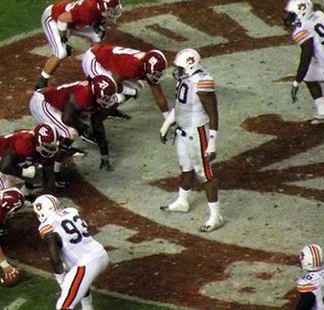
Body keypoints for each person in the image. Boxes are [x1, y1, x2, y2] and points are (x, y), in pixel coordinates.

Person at [32, 194, 108, 310]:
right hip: (100, 254)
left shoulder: (47, 225)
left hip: (86, 263)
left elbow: (54, 257)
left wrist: (60, 279)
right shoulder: (71, 212)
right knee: (76, 275)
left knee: (64, 305)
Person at [159, 48, 224, 232]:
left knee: (205, 174)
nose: (177, 71)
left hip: (197, 132)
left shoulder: (202, 82)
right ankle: (182, 201)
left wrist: (212, 141)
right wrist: (166, 126)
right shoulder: (186, 79)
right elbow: (181, 106)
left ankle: (216, 215)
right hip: (182, 130)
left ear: (190, 65)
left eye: (180, 67)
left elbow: (213, 113)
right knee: (186, 168)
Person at [80, 44, 171, 170]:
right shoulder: (132, 66)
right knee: (114, 94)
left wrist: (168, 119)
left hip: (110, 64)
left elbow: (158, 94)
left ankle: (109, 109)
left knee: (136, 87)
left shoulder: (145, 65)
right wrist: (130, 92)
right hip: (94, 61)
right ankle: (88, 123)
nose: (157, 76)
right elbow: (112, 84)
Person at [29, 75, 119, 184]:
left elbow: (98, 125)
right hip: (43, 103)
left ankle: (57, 156)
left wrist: (105, 154)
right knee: (70, 133)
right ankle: (52, 172)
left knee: (73, 131)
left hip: (59, 107)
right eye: (105, 98)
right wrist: (84, 128)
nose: (108, 101)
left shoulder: (95, 97)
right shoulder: (83, 95)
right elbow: (67, 119)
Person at [35, 0, 123, 90]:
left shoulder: (99, 5)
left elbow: (97, 18)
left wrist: (98, 26)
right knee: (61, 52)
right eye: (111, 10)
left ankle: (95, 70)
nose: (114, 11)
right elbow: (62, 19)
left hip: (73, 22)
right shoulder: (87, 10)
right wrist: (64, 40)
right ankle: (42, 82)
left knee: (97, 36)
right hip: (54, 19)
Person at [0, 123, 59, 198]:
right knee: (7, 190)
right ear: (38, 141)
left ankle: (25, 194)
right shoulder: (24, 143)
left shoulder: (38, 148)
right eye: (47, 146)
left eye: (52, 147)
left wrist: (48, 191)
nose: (50, 150)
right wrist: (25, 172)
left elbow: (48, 170)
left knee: (38, 171)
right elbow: (4, 167)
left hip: (10, 158)